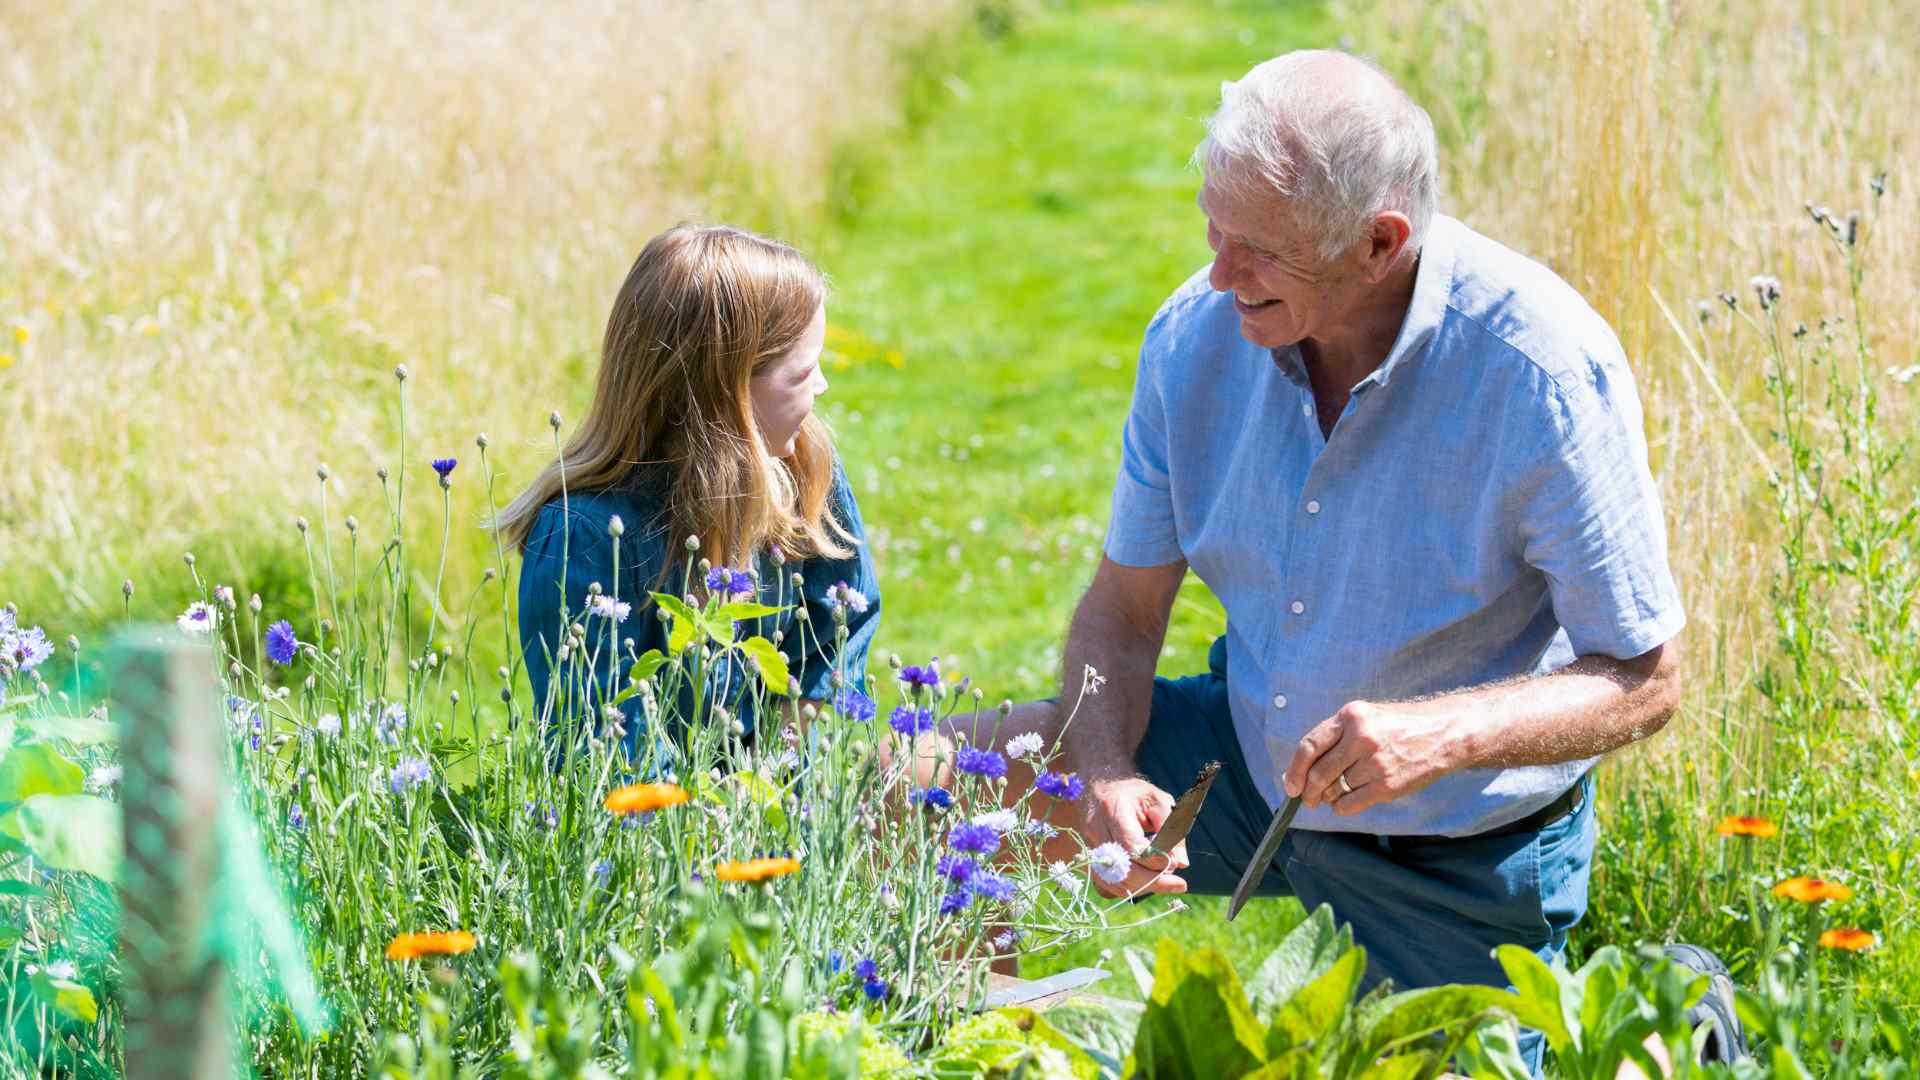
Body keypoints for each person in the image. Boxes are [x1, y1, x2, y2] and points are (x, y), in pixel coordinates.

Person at [899, 50, 1740, 1073]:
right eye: (1212, 229)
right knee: (922, 787)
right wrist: (1108, 768)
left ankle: (1671, 1015)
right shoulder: (1193, 341)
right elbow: (1122, 613)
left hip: (1452, 848)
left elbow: (1647, 678)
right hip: (1242, 767)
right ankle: (970, 1055)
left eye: (1255, 249)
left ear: (1378, 243)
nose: (1217, 273)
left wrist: (1443, 734)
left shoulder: (1539, 373)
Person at [495, 223, 881, 763]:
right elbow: (600, 751)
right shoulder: (584, 536)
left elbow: (838, 627)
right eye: (803, 373)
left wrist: (783, 767)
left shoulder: (803, 467)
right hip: (652, 826)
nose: (821, 387)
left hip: (775, 794)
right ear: (726, 391)